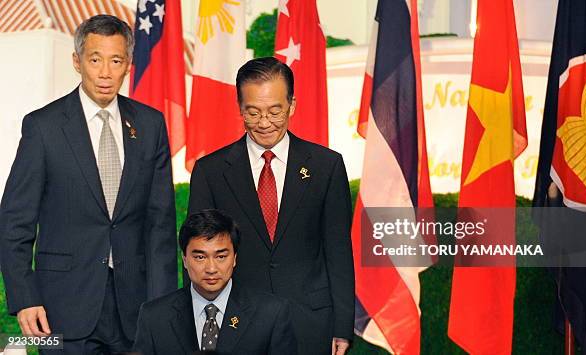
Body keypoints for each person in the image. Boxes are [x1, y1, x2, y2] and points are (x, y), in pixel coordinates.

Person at [0, 15, 177, 354]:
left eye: (116, 60)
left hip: (135, 308)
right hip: (60, 308)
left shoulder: (151, 125)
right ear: (77, 62)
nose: (106, 73)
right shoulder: (43, 127)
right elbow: (15, 222)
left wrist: (164, 307)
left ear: (128, 64)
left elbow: (161, 227)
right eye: (95, 60)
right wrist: (25, 299)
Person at [188, 57, 355, 355]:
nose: (264, 123)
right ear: (240, 108)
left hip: (309, 321)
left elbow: (339, 251)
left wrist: (342, 326)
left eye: (275, 111)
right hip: (237, 323)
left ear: (292, 105)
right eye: (253, 112)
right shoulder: (210, 171)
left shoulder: (326, 166)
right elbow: (200, 256)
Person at [133, 209, 297, 354]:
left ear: (234, 258)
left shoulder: (271, 314)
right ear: (184, 259)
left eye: (220, 257)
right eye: (200, 257)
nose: (211, 268)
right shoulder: (154, 317)